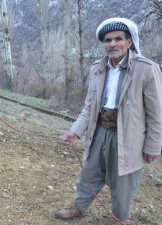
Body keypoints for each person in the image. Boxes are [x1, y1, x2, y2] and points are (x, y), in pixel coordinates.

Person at [54, 17, 162, 225]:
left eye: (118, 39)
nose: (112, 44)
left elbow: (157, 113)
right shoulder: (97, 68)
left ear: (129, 42)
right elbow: (89, 107)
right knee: (89, 171)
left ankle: (120, 219)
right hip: (100, 130)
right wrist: (75, 131)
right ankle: (79, 207)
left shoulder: (147, 69)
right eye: (108, 40)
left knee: (123, 180)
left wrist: (153, 146)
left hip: (130, 136)